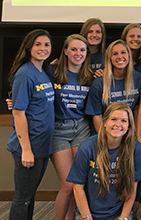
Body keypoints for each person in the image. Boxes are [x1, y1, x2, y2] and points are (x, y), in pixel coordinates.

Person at [67, 102, 141, 220]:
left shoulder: (136, 149)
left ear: (129, 125)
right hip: (88, 213)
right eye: (113, 119)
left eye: (124, 121)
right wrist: (87, 216)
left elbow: (132, 189)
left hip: (119, 213)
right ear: (104, 122)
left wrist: (123, 218)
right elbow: (78, 187)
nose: (118, 124)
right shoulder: (86, 147)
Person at [7, 29, 55, 220]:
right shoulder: (26, 74)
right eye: (37, 44)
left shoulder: (43, 71)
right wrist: (26, 149)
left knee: (29, 196)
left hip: (42, 145)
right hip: (29, 146)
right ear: (28, 47)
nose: (42, 48)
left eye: (46, 44)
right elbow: (18, 113)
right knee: (22, 198)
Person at [51, 34, 93, 220]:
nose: (78, 53)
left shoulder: (89, 76)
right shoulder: (51, 72)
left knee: (78, 183)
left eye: (82, 50)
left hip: (81, 129)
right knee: (68, 185)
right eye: (74, 49)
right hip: (58, 130)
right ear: (66, 51)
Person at [85, 40, 141, 132]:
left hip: (126, 131)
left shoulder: (138, 78)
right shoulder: (99, 83)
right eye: (115, 53)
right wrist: (105, 140)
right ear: (109, 58)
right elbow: (97, 116)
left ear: (129, 55)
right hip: (104, 132)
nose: (120, 57)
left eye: (123, 52)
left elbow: (137, 109)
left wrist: (133, 134)